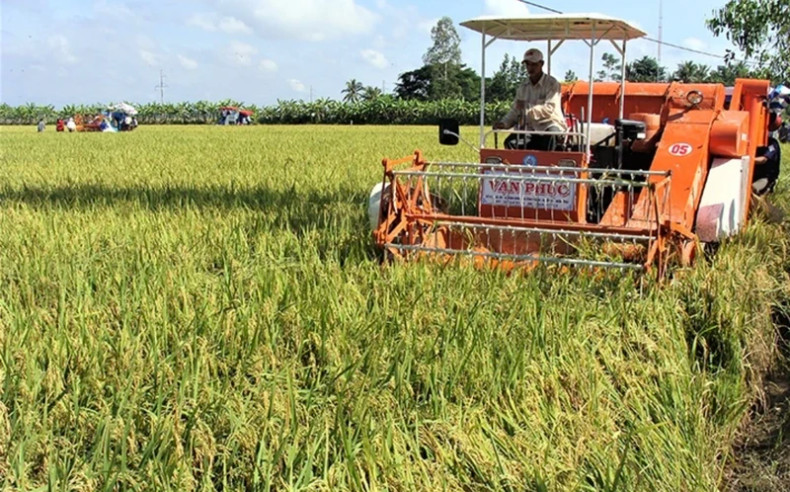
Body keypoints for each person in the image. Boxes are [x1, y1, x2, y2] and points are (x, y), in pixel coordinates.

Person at [493, 48, 567, 151]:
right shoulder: (523, 87)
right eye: (528, 64)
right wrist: (504, 123)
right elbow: (515, 111)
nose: (530, 68)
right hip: (529, 129)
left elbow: (549, 108)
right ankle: (516, 162)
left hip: (549, 125)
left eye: (534, 64)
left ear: (541, 64)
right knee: (510, 142)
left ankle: (550, 161)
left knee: (552, 138)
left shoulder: (552, 84)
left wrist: (527, 109)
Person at [752, 113, 782, 195]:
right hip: (753, 175)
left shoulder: (772, 144)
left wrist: (749, 160)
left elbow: (763, 159)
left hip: (765, 178)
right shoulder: (755, 140)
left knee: (752, 189)